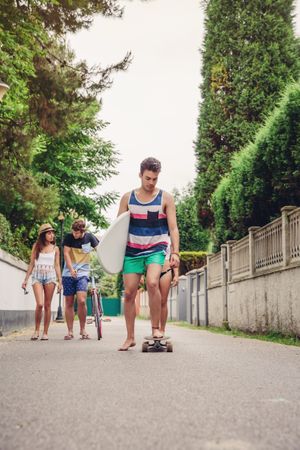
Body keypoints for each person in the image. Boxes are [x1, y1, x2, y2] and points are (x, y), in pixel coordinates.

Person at [117, 157, 180, 350]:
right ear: (140, 175)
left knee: (153, 282)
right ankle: (130, 337)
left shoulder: (166, 198)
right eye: (148, 178)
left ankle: (155, 329)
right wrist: (114, 257)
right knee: (129, 293)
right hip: (132, 250)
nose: (151, 183)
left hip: (156, 248)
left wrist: (175, 253)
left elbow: (173, 228)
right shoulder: (128, 198)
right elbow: (118, 228)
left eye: (154, 179)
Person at [22, 223, 62, 341]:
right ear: (43, 235)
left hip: (50, 276)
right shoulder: (36, 246)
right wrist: (25, 279)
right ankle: (36, 330)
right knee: (39, 304)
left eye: (52, 233)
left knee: (47, 305)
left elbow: (57, 265)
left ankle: (45, 332)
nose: (52, 235)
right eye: (49, 233)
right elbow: (32, 263)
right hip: (37, 276)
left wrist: (60, 281)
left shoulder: (56, 248)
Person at [62, 219, 99, 340]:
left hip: (83, 272)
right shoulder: (68, 237)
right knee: (69, 302)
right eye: (74, 232)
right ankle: (70, 331)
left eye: (77, 233)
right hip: (68, 272)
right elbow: (66, 253)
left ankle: (83, 329)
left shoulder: (90, 238)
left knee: (82, 300)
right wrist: (71, 269)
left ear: (83, 231)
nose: (75, 235)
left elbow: (100, 249)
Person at [159, 245, 179, 336]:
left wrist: (176, 275)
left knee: (163, 301)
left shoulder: (169, 240)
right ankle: (154, 329)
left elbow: (174, 259)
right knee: (154, 302)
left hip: (166, 271)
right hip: (151, 271)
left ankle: (162, 330)